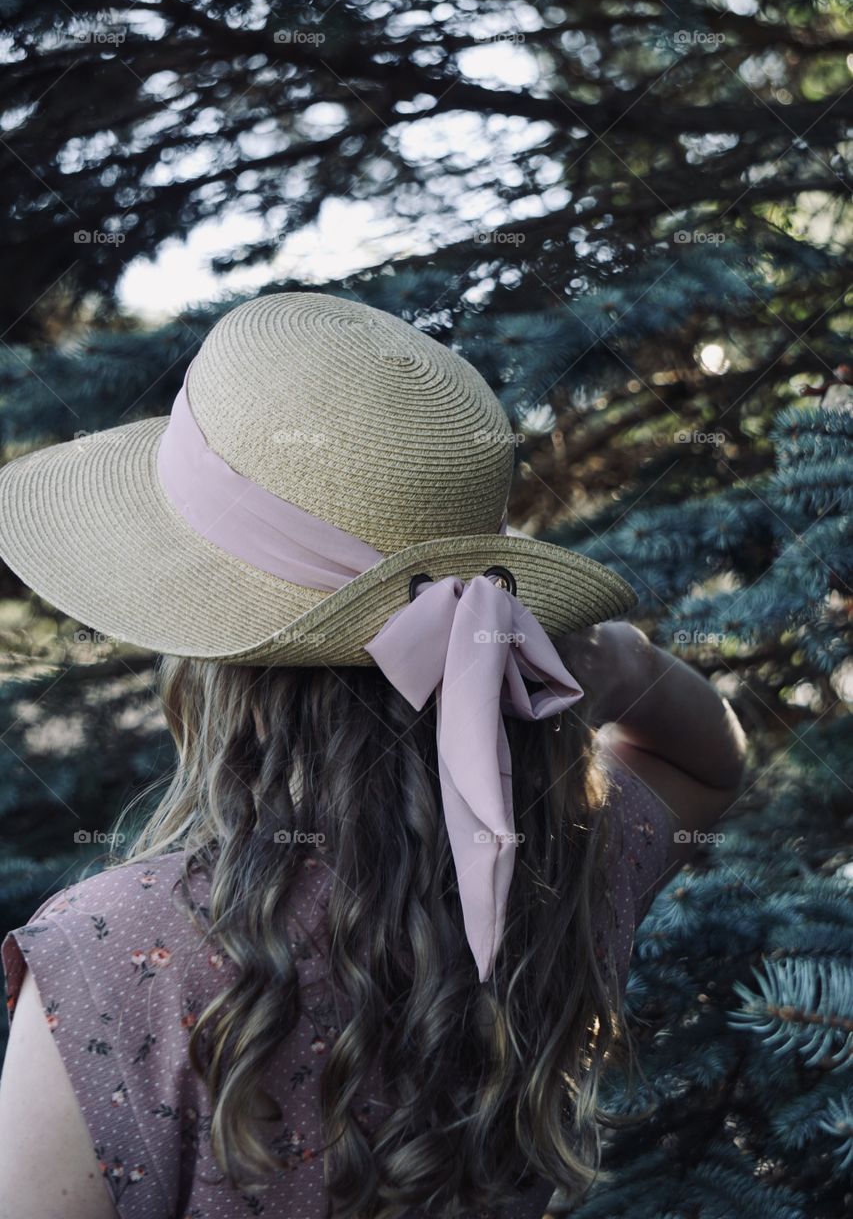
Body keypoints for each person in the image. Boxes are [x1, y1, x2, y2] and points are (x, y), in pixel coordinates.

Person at [0, 293, 747, 1219]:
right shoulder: (557, 864)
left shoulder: (113, 952)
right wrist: (612, 656)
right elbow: (710, 763)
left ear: (210, 661)